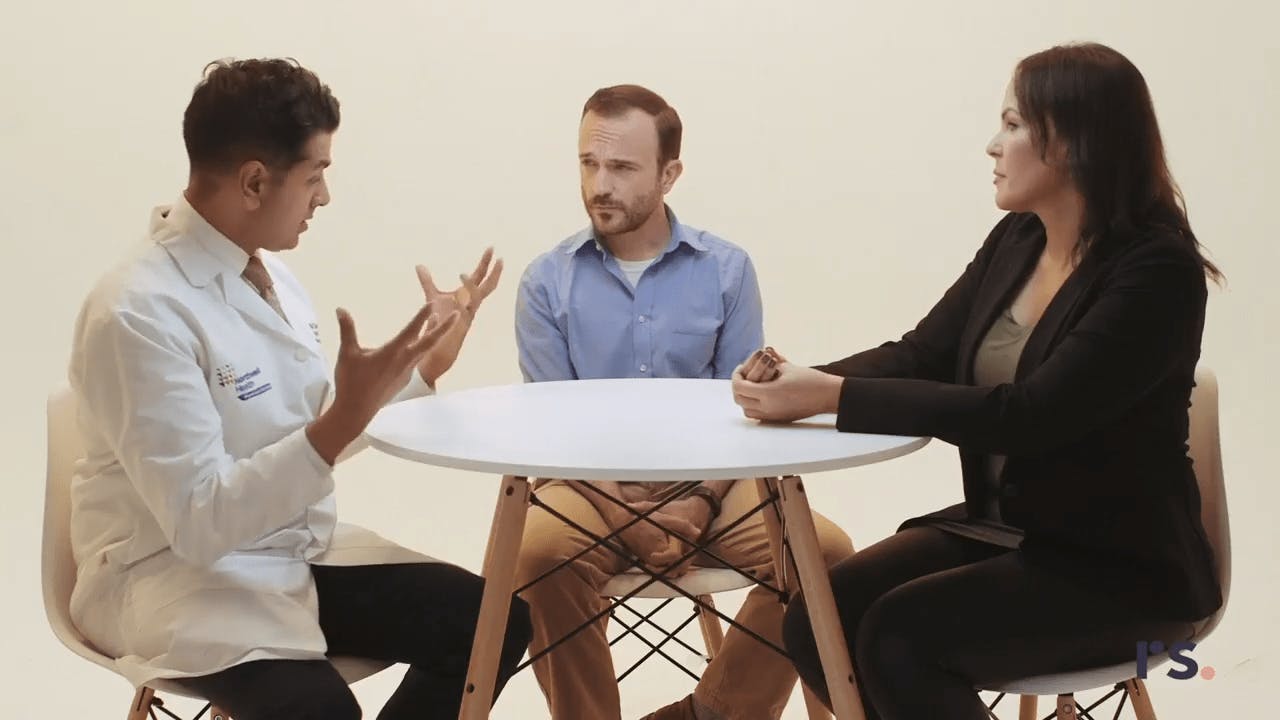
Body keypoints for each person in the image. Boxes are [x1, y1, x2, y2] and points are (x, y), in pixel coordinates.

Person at [731, 42, 1224, 720]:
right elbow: (922, 354)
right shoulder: (1019, 240)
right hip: (1007, 531)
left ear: (1077, 141)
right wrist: (805, 379)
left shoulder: (1155, 273)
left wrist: (832, 398)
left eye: (1014, 124)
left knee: (900, 637)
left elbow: (1031, 415)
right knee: (820, 618)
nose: (993, 145)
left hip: (1125, 573)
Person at [66, 58, 530, 720]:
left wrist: (425, 369)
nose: (324, 198)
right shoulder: (136, 312)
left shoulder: (273, 278)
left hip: (287, 552)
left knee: (494, 625)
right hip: (172, 577)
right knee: (321, 713)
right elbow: (200, 522)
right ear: (255, 181)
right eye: (315, 177)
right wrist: (337, 422)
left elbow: (312, 425)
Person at [513, 84, 854, 720]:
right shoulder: (546, 282)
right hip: (588, 483)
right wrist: (630, 508)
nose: (599, 184)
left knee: (826, 557)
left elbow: (747, 413)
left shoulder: (726, 270)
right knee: (533, 557)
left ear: (669, 174)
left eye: (621, 167)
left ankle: (711, 713)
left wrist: (697, 498)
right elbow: (550, 430)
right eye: (589, 163)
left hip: (715, 485)